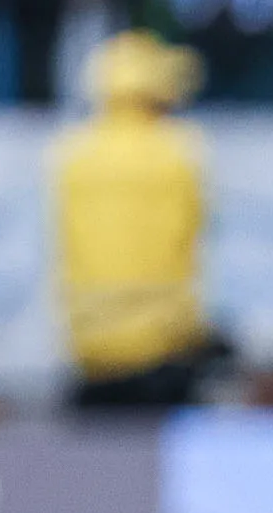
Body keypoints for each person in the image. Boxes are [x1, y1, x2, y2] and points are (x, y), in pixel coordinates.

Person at [52, 33, 218, 411]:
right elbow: (193, 236)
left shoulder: (74, 153)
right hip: (164, 348)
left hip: (89, 345)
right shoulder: (181, 150)